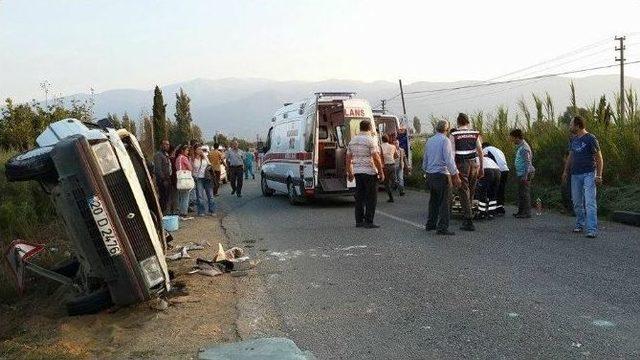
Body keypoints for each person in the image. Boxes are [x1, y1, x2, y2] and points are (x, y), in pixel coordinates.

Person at [562, 116, 603, 238]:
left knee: (590, 202)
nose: (570, 127)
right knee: (576, 202)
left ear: (578, 125)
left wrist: (599, 175)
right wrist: (565, 171)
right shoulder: (573, 139)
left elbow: (599, 157)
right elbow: (571, 156)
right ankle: (580, 223)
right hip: (575, 174)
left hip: (589, 174)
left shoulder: (590, 138)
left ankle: (592, 229)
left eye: (571, 125)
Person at [423, 120, 461, 235]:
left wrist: (425, 170)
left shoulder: (430, 140)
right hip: (442, 174)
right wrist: (456, 175)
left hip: (430, 174)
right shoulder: (446, 141)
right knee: (445, 202)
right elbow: (449, 160)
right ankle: (442, 227)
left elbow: (425, 158)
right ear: (447, 130)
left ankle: (431, 224)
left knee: (433, 201)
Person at [346, 120, 384, 229]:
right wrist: (381, 172)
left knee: (359, 197)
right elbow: (376, 157)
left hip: (357, 172)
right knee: (371, 198)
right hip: (369, 172)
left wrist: (350, 172)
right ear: (370, 127)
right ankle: (369, 221)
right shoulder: (370, 140)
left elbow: (348, 158)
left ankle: (359, 221)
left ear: (360, 127)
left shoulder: (352, 140)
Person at [450, 113, 484, 231]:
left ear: (458, 122)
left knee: (463, 190)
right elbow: (480, 151)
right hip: (474, 163)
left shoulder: (454, 134)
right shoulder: (475, 133)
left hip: (461, 164)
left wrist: (453, 171)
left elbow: (452, 154)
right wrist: (482, 167)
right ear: (467, 122)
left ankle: (468, 219)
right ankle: (468, 215)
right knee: (471, 189)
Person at [510, 129, 535, 218]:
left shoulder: (524, 148)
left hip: (525, 174)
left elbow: (527, 162)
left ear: (517, 137)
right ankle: (521, 212)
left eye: (512, 138)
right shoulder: (521, 147)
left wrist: (525, 175)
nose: (511, 140)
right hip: (521, 173)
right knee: (521, 193)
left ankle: (526, 213)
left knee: (525, 193)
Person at [482, 143, 509, 215]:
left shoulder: (485, 149)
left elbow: (486, 160)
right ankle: (500, 208)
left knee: (492, 189)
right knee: (501, 189)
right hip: (505, 170)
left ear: (483, 146)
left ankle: (490, 209)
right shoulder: (498, 150)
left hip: (496, 170)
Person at [475, 155, 501, 219]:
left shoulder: (475, 159)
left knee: (482, 192)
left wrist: (477, 179)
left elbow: (477, 168)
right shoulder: (488, 159)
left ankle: (482, 213)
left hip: (487, 171)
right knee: (493, 193)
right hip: (497, 171)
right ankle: (491, 212)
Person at [192, 146, 216, 216]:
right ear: (195, 150)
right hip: (198, 179)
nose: (200, 150)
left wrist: (208, 167)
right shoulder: (193, 159)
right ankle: (201, 211)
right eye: (198, 149)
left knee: (210, 195)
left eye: (200, 149)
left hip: (207, 178)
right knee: (199, 196)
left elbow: (209, 165)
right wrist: (194, 176)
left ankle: (212, 210)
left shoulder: (205, 156)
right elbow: (191, 169)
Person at [153, 139, 173, 214]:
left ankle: (165, 213)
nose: (167, 146)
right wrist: (163, 179)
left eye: (168, 144)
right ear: (161, 145)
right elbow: (158, 169)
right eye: (165, 144)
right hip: (162, 181)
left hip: (168, 179)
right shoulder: (158, 155)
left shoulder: (165, 154)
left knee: (167, 198)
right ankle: (161, 214)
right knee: (163, 198)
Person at [175, 145, 194, 220]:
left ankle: (181, 212)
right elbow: (190, 168)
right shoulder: (184, 158)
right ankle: (184, 213)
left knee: (181, 197)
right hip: (185, 180)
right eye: (186, 150)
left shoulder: (177, 158)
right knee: (186, 197)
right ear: (182, 151)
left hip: (180, 180)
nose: (188, 152)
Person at [380, 134, 398, 203]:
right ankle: (396, 183)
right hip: (392, 165)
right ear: (388, 139)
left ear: (382, 139)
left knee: (386, 183)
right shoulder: (393, 146)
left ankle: (391, 198)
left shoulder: (380, 147)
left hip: (385, 166)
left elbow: (380, 157)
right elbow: (396, 156)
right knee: (393, 178)